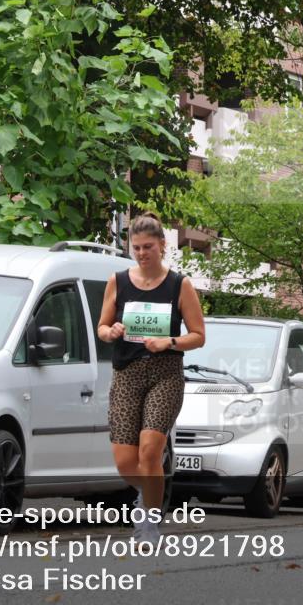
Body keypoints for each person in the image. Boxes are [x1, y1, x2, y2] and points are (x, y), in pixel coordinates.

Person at [97, 213, 206, 543]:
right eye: (137, 247)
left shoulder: (179, 285)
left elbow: (198, 335)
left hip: (165, 375)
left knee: (149, 452)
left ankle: (149, 523)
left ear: (162, 246)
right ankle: (147, 494)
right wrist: (111, 330)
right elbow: (101, 329)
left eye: (148, 247)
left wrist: (169, 342)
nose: (142, 253)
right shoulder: (118, 281)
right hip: (127, 374)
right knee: (126, 462)